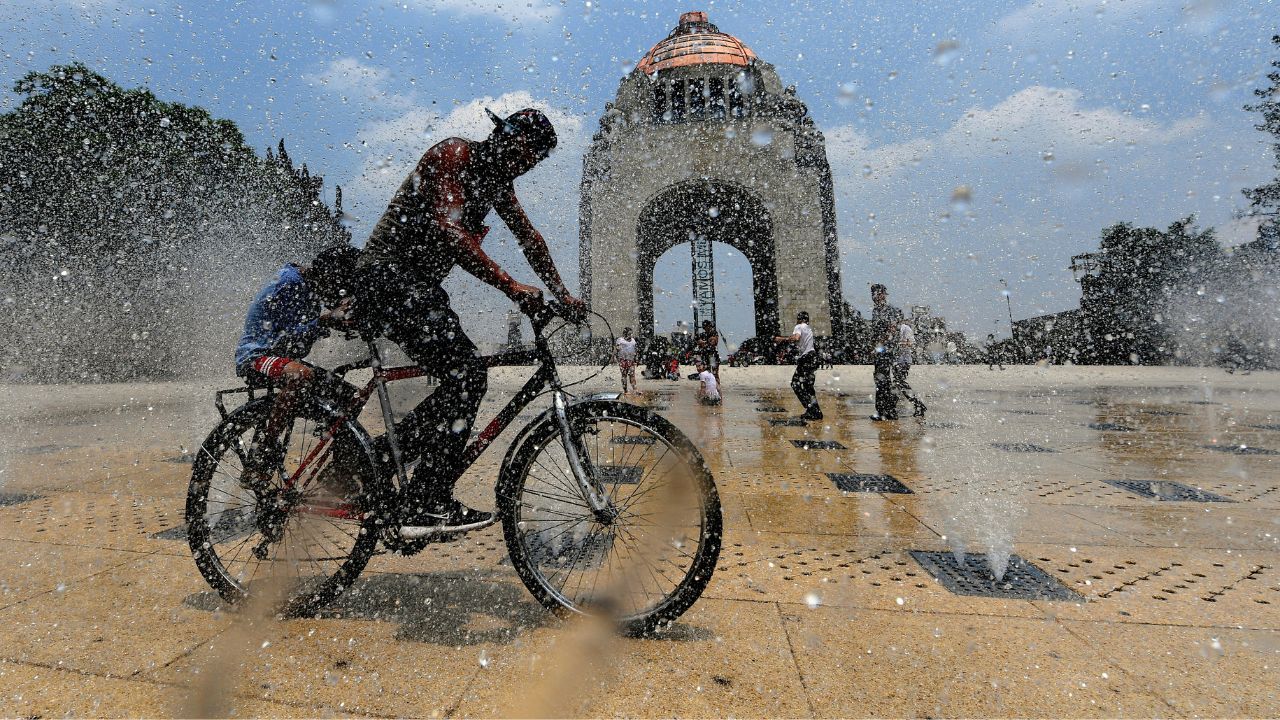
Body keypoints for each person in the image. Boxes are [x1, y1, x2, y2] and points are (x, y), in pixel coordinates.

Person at [353, 107, 586, 533]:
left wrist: (562, 293)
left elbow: (530, 239)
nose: (528, 164)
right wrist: (512, 286)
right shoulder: (455, 155)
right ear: (506, 135)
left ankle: (380, 456)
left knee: (464, 377)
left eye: (537, 160)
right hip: (387, 276)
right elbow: (452, 231)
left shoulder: (497, 182)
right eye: (528, 152)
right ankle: (425, 499)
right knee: (467, 375)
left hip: (417, 286)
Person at [235, 244, 360, 480]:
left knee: (350, 397)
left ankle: (339, 473)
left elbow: (300, 339)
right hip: (257, 357)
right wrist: (324, 321)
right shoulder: (290, 283)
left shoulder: (309, 287)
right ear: (328, 276)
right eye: (338, 288)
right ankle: (263, 453)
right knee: (300, 375)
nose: (336, 297)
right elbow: (285, 338)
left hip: (282, 358)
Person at [774, 311, 822, 421]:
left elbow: (796, 338)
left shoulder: (799, 326)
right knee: (809, 387)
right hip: (813, 358)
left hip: (806, 358)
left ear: (799, 319)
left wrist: (781, 339)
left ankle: (811, 409)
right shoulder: (808, 328)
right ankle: (817, 412)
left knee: (795, 384)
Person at [869, 284, 903, 421]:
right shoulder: (876, 311)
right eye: (873, 294)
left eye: (878, 293)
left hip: (886, 350)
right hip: (881, 351)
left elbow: (891, 330)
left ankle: (886, 411)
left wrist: (878, 348)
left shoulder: (889, 310)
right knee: (882, 381)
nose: (875, 296)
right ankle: (885, 410)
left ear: (883, 294)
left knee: (883, 380)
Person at [893, 318, 927, 418]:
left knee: (900, 384)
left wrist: (898, 344)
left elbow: (911, 343)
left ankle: (918, 404)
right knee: (898, 384)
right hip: (896, 362)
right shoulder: (893, 330)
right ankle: (917, 405)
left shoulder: (906, 329)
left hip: (904, 361)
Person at [615, 327, 639, 394]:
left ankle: (635, 389)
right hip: (623, 360)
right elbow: (616, 349)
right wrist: (614, 355)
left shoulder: (633, 340)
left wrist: (636, 358)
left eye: (631, 334)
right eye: (629, 334)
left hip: (631, 360)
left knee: (632, 375)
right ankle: (625, 390)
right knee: (624, 375)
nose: (630, 335)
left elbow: (635, 350)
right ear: (625, 334)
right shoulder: (620, 340)